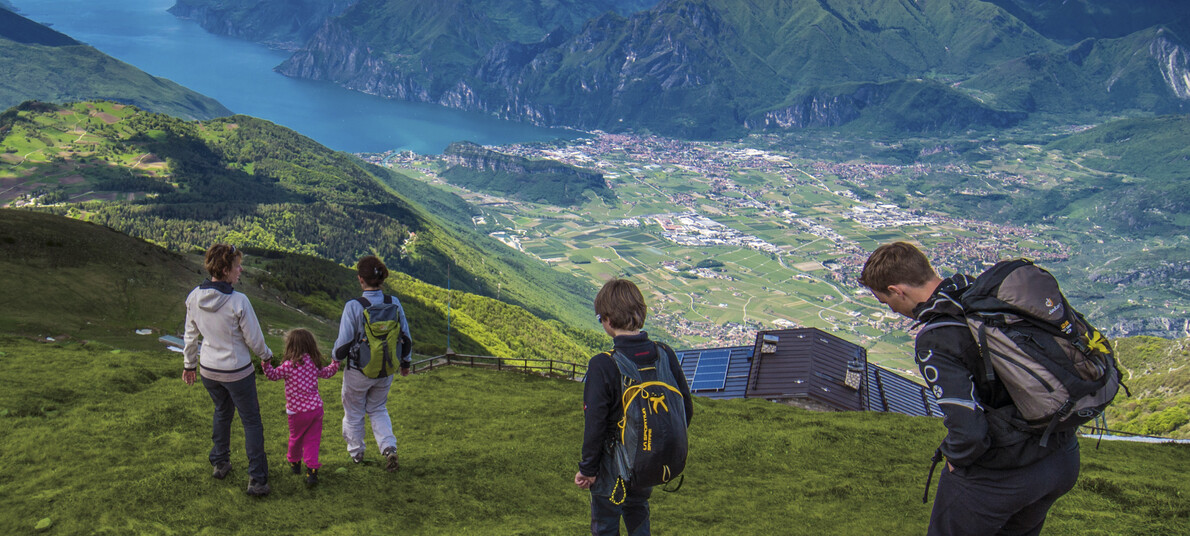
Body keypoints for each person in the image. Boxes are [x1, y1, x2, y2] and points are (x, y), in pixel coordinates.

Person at [859, 242, 1081, 536]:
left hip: (1005, 474)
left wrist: (955, 458)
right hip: (1060, 456)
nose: (893, 309)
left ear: (897, 290)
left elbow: (970, 432)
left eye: (887, 302)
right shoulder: (986, 298)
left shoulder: (938, 338)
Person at [574, 278, 693, 536]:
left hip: (611, 467)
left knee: (605, 524)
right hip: (647, 459)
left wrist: (587, 469)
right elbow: (685, 409)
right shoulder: (665, 353)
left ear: (607, 319)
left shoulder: (602, 364)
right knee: (638, 510)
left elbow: (594, 424)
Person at [182, 244, 273, 497]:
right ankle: (257, 479)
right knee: (251, 421)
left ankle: (220, 463)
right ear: (225, 270)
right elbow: (254, 340)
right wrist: (267, 358)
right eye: (236, 266)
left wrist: (189, 365)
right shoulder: (238, 301)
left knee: (222, 412)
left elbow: (190, 337)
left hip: (208, 369)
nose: (240, 270)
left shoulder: (194, 297)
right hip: (237, 371)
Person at [332, 255, 412, 471]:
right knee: (378, 408)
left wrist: (334, 359)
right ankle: (389, 448)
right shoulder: (394, 303)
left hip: (358, 372)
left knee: (354, 412)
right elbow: (406, 337)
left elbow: (342, 346)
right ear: (381, 278)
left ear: (360, 279)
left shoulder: (354, 307)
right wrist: (405, 363)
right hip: (386, 370)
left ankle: (357, 454)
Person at [262, 328, 340, 486]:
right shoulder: (313, 363)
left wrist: (266, 363)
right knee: (312, 440)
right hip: (315, 409)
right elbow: (327, 373)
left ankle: (295, 463)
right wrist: (335, 363)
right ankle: (311, 471)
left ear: (290, 345)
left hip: (296, 412)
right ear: (310, 345)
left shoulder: (288, 366)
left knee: (296, 438)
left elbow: (272, 375)